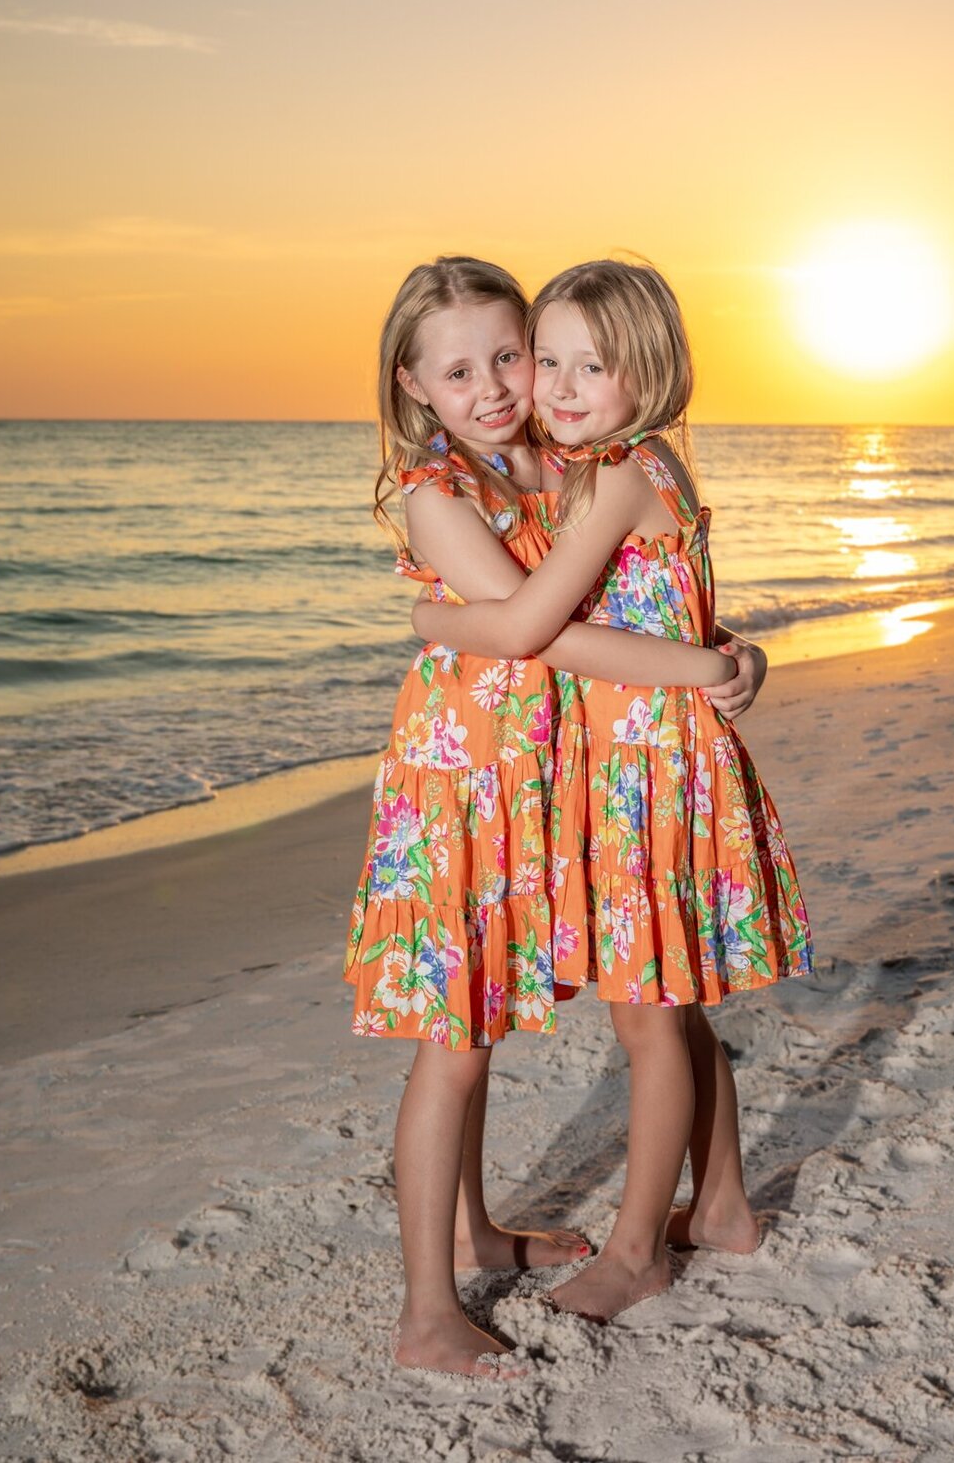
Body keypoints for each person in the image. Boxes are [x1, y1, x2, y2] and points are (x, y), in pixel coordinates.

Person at [346, 256, 763, 1379]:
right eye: (458, 369)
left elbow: (598, 591)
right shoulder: (439, 491)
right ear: (413, 382)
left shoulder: (562, 460)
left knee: (647, 999)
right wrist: (448, 624)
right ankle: (429, 1312)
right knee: (459, 1036)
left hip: (552, 777)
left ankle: (491, 1231)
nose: (495, 386)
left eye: (507, 356)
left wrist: (451, 623)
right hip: (464, 785)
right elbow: (532, 625)